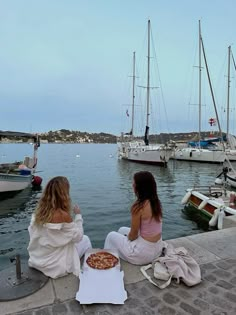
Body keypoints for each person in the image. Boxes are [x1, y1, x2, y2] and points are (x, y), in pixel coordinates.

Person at [27, 176, 92, 278]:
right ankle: (89, 270)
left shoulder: (37, 213)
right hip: (56, 266)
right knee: (86, 240)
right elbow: (78, 237)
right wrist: (78, 216)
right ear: (64, 194)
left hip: (37, 260)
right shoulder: (63, 215)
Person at [104, 171, 163, 265]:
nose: (132, 185)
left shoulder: (138, 206)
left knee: (111, 236)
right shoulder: (156, 202)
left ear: (140, 187)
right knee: (121, 230)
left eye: (134, 184)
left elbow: (133, 235)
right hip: (157, 249)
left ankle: (106, 262)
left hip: (143, 255)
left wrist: (127, 240)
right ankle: (117, 253)